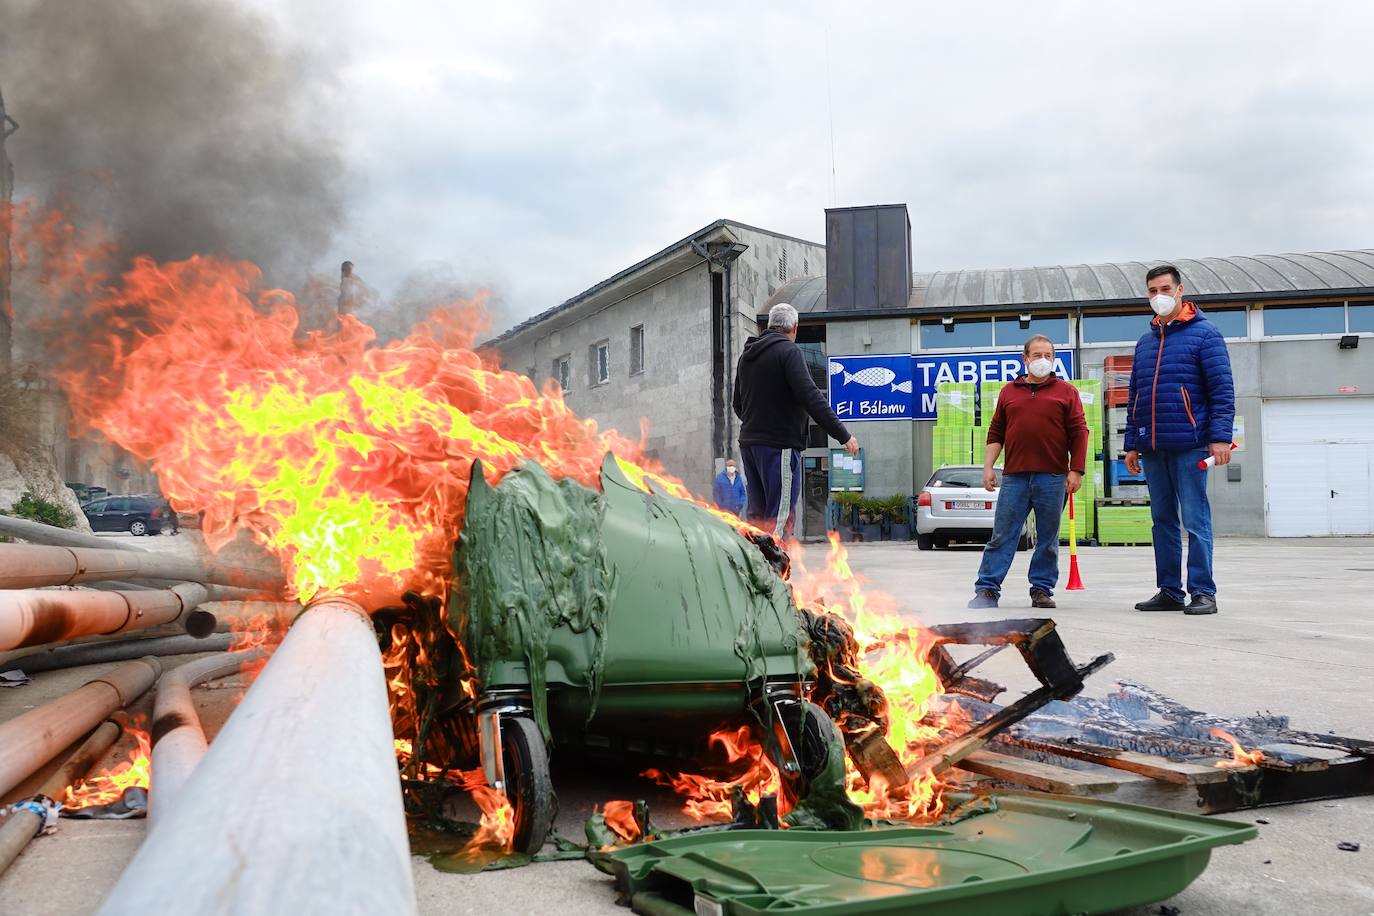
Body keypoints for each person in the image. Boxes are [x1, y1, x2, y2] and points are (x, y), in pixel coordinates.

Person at [1124, 265, 1235, 616]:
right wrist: (1132, 443)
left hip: (1190, 444)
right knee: (1162, 521)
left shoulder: (1206, 334)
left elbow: (1222, 391)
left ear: (1180, 290)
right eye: (1152, 290)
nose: (1159, 296)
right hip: (1153, 447)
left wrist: (1220, 438)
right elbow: (1135, 396)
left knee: (1195, 520)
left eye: (1164, 288)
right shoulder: (1145, 343)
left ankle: (1203, 592)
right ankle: (1170, 591)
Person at [968, 335, 1089, 610]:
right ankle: (987, 589)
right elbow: (996, 431)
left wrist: (1077, 470)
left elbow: (1079, 432)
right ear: (1025, 359)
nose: (1043, 360)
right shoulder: (1008, 392)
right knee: (1002, 536)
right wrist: (988, 467)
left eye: (1048, 355)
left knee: (1047, 539)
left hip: (1053, 477)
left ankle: (1041, 589)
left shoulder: (1066, 392)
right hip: (1015, 477)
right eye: (1037, 355)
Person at [734, 303, 859, 538]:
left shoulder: (746, 357)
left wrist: (758, 423)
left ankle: (753, 559)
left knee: (757, 517)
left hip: (749, 445)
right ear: (794, 327)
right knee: (780, 517)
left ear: (770, 324)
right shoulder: (788, 352)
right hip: (779, 446)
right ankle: (775, 561)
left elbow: (737, 404)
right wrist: (843, 435)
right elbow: (811, 397)